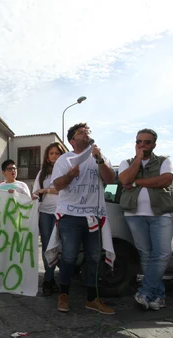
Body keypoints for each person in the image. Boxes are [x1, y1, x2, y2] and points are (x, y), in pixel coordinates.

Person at [52, 123, 115, 314]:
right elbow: (57, 185)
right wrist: (70, 175)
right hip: (70, 216)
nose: (86, 133)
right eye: (81, 132)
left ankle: (92, 299)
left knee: (94, 258)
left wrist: (100, 160)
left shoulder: (100, 157)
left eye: (87, 131)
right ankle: (63, 294)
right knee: (70, 256)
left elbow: (111, 181)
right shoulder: (65, 159)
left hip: (93, 216)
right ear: (72, 141)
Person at [118, 129, 173, 311]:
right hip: (134, 215)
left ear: (154, 145)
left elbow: (165, 180)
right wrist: (137, 159)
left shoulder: (164, 161)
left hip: (159, 215)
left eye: (147, 142)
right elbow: (125, 178)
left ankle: (144, 292)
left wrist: (136, 183)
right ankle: (157, 296)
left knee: (163, 253)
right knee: (146, 254)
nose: (142, 145)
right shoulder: (126, 162)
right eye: (139, 142)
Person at [33, 142, 65, 295]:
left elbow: (64, 190)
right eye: (51, 153)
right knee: (47, 246)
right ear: (47, 156)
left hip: (62, 212)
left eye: (56, 153)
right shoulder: (42, 172)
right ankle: (49, 279)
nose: (54, 156)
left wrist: (46, 189)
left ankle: (63, 281)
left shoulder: (66, 170)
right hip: (45, 213)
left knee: (60, 246)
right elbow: (35, 191)